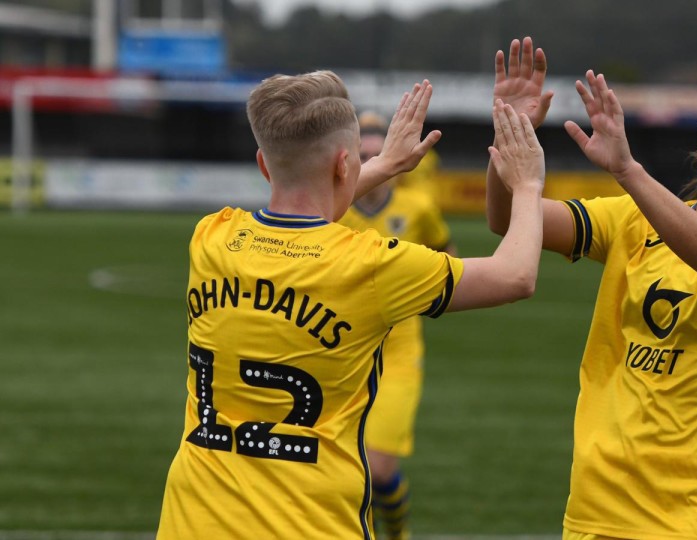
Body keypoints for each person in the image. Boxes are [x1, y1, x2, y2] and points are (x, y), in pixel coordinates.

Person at [157, 70, 546, 539]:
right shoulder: (371, 266)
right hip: (308, 526)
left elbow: (310, 204)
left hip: (190, 522)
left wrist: (383, 164)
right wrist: (527, 184)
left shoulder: (212, 236)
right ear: (346, 165)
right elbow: (515, 275)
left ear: (263, 164)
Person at [486, 38, 697, 539]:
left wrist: (627, 169)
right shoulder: (630, 219)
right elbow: (506, 219)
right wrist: (508, 136)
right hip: (597, 506)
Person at [337, 111, 456, 540]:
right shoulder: (333, 210)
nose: (370, 163)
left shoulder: (417, 208)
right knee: (345, 471)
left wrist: (421, 286)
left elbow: (446, 253)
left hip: (398, 353)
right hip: (342, 353)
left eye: (377, 155)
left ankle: (398, 533)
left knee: (379, 468)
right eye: (362, 156)